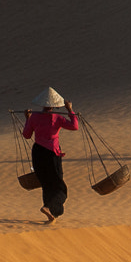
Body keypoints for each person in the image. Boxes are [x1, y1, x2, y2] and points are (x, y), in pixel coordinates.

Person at [21, 87, 79, 222]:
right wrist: (70, 110)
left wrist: (27, 119)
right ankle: (49, 207)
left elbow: (26, 135)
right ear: (53, 106)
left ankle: (50, 213)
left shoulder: (34, 117)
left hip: (38, 153)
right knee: (60, 187)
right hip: (51, 154)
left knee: (46, 183)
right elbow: (74, 126)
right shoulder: (57, 118)